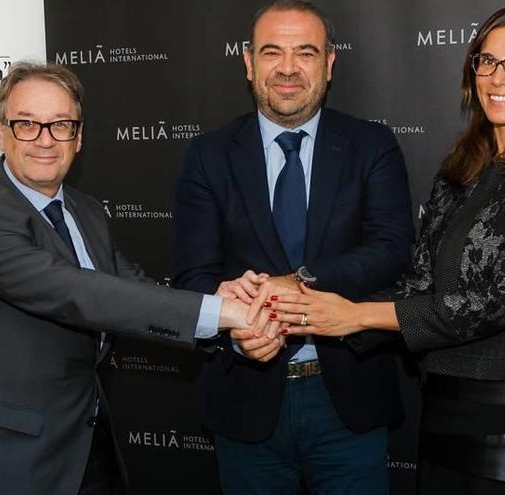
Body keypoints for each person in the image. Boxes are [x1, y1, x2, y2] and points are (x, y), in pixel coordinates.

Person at [267, 5, 505, 494]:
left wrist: (356, 317)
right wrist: (309, 304)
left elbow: (498, 299)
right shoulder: (459, 175)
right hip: (445, 402)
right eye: (486, 62)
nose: (498, 77)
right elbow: (416, 285)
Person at [0, 62, 261, 495]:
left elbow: (133, 292)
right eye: (27, 124)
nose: (45, 139)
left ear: (79, 135)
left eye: (61, 125)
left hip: (87, 447)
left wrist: (225, 313)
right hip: (4, 461)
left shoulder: (87, 211)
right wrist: (222, 312)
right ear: (2, 132)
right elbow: (76, 292)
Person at [171, 1, 414, 493]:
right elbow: (192, 277)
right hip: (245, 399)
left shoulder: (372, 146)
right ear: (247, 62)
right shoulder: (208, 156)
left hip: (348, 399)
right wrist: (236, 334)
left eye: (305, 52)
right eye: (271, 52)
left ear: (328, 63)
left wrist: (298, 282)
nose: (287, 68)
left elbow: (392, 250)